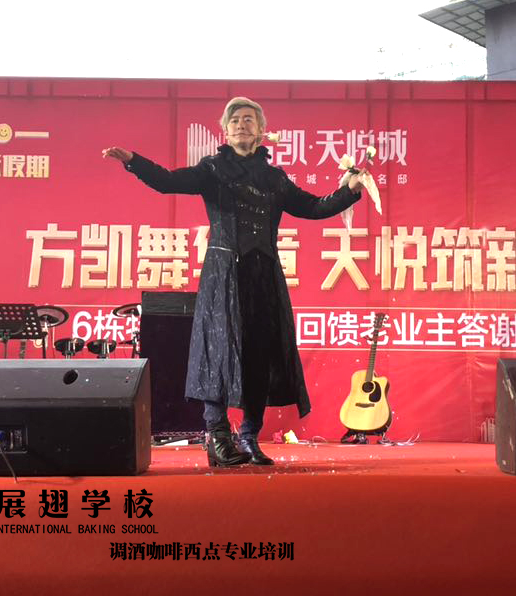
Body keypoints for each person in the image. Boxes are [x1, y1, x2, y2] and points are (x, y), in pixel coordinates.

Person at [103, 97, 368, 467]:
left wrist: (350, 189)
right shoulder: (212, 170)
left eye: (249, 120)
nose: (242, 125)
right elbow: (167, 182)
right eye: (236, 120)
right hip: (223, 273)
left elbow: (313, 207)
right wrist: (134, 161)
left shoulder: (275, 178)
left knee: (260, 353)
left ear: (261, 131)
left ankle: (249, 436)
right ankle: (217, 435)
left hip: (264, 275)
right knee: (218, 350)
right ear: (225, 131)